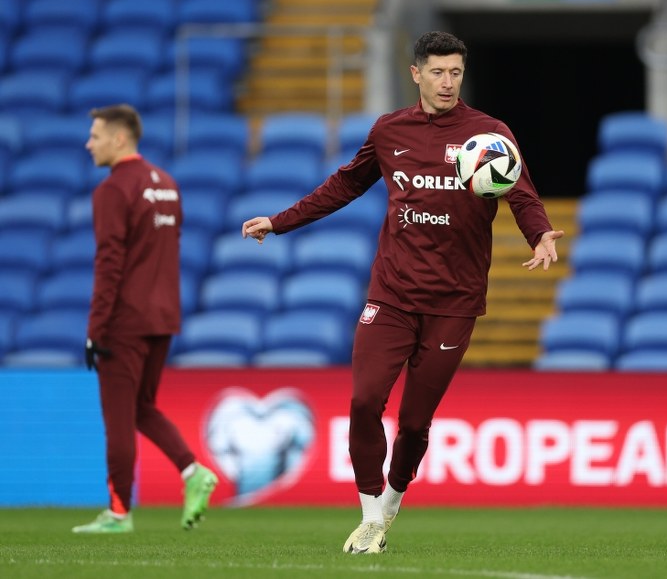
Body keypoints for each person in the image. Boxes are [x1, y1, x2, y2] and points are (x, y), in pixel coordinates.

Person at [241, 31, 564, 554]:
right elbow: (345, 184)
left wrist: (540, 233)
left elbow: (521, 194)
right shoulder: (390, 130)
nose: (447, 82)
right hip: (390, 293)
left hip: (454, 301)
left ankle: (392, 500)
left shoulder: (489, 135)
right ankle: (370, 516)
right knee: (364, 400)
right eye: (437, 72)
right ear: (416, 74)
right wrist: (280, 222)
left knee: (414, 423)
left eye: (455, 72)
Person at [73, 104, 218, 534]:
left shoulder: (112, 190)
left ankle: (118, 513)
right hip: (163, 316)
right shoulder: (168, 185)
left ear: (119, 138)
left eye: (95, 136)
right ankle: (193, 471)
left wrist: (95, 329)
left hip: (124, 321)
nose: (89, 144)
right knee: (141, 408)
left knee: (119, 419)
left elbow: (109, 263)